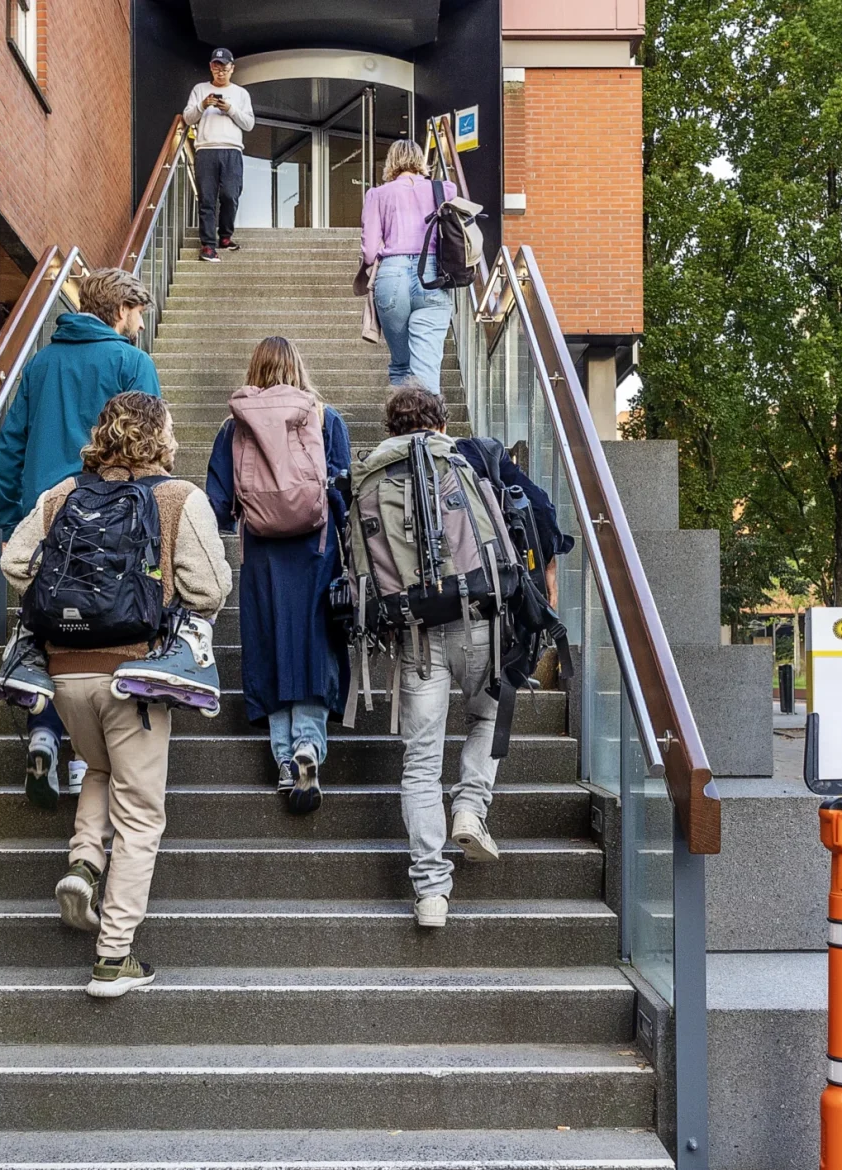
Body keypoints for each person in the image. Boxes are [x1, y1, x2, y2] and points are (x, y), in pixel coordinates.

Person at [2, 393, 232, 997]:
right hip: (136, 676)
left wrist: (64, 606)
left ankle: (83, 863)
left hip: (65, 675)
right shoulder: (178, 499)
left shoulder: (60, 497)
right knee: (141, 814)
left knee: (97, 769)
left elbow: (15, 561)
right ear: (160, 438)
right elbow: (209, 587)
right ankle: (114, 956)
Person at [381, 382, 570, 928]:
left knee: (419, 763)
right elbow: (540, 513)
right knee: (488, 712)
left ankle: (431, 894)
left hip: (415, 631)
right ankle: (469, 807)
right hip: (483, 618)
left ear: (393, 429)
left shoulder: (374, 473)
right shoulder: (473, 455)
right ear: (442, 423)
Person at [0, 269, 161, 810]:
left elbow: (8, 449)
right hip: (111, 520)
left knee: (47, 625)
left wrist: (15, 518)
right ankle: (94, 756)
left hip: (44, 518)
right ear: (119, 309)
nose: (138, 324)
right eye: (136, 312)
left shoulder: (40, 364)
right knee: (102, 624)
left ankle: (44, 732)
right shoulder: (131, 363)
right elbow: (151, 447)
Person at [206, 337, 351, 814]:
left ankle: (286, 760)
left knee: (270, 646)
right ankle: (310, 744)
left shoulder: (234, 427)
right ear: (298, 369)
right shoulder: (325, 418)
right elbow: (343, 487)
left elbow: (218, 504)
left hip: (263, 554)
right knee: (313, 644)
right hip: (316, 549)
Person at [361, 140, 457, 394]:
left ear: (391, 162)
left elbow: (370, 252)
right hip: (433, 275)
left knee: (402, 366)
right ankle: (429, 429)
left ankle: (402, 430)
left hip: (391, 276)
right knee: (426, 370)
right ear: (420, 161)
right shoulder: (445, 190)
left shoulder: (378, 194)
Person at [183, 48, 254, 263]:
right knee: (206, 199)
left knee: (230, 195)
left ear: (232, 68)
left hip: (232, 149)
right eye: (216, 66)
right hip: (206, 149)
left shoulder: (241, 94)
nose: (220, 71)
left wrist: (230, 109)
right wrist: (203, 105)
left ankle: (225, 235)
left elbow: (249, 124)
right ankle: (208, 245)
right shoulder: (199, 89)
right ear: (211, 67)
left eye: (224, 66)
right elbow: (187, 118)